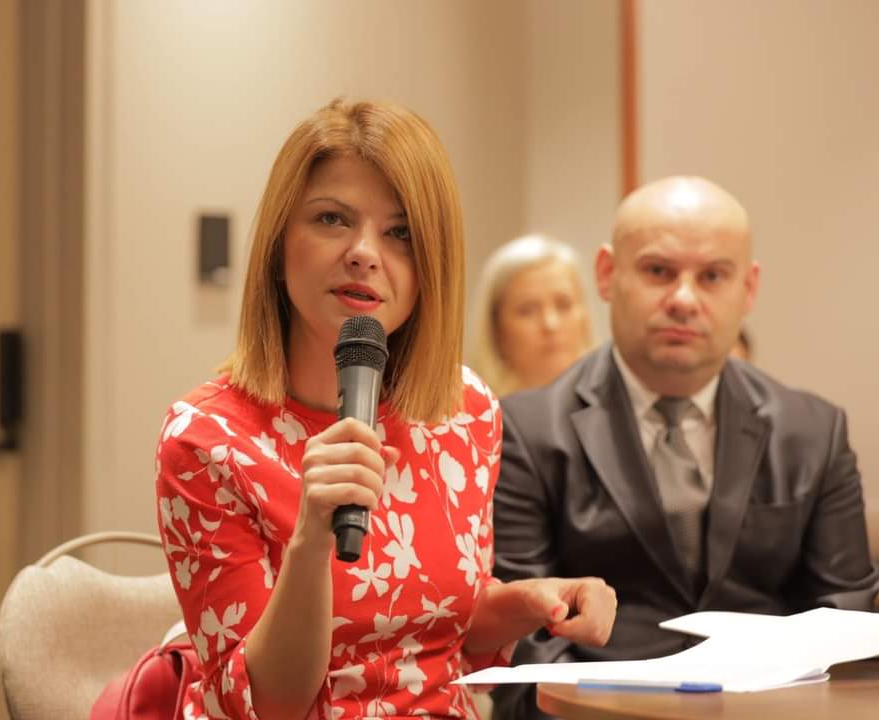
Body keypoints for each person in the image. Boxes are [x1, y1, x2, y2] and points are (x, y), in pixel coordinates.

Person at [154, 98, 617, 720]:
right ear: (279, 244)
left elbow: (442, 626)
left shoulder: (464, 409)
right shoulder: (206, 438)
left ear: (431, 267)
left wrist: (533, 601)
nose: (364, 253)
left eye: (400, 233)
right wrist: (310, 542)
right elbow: (268, 703)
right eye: (332, 219)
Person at [490, 175, 879, 719]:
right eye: (658, 271)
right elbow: (521, 637)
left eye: (713, 276)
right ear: (607, 274)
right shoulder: (524, 430)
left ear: (749, 288)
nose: (683, 299)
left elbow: (844, 622)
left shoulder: (813, 431)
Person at [469, 235, 594, 396]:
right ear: (496, 328)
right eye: (527, 311)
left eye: (563, 305)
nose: (550, 324)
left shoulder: (616, 401)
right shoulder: (475, 409)